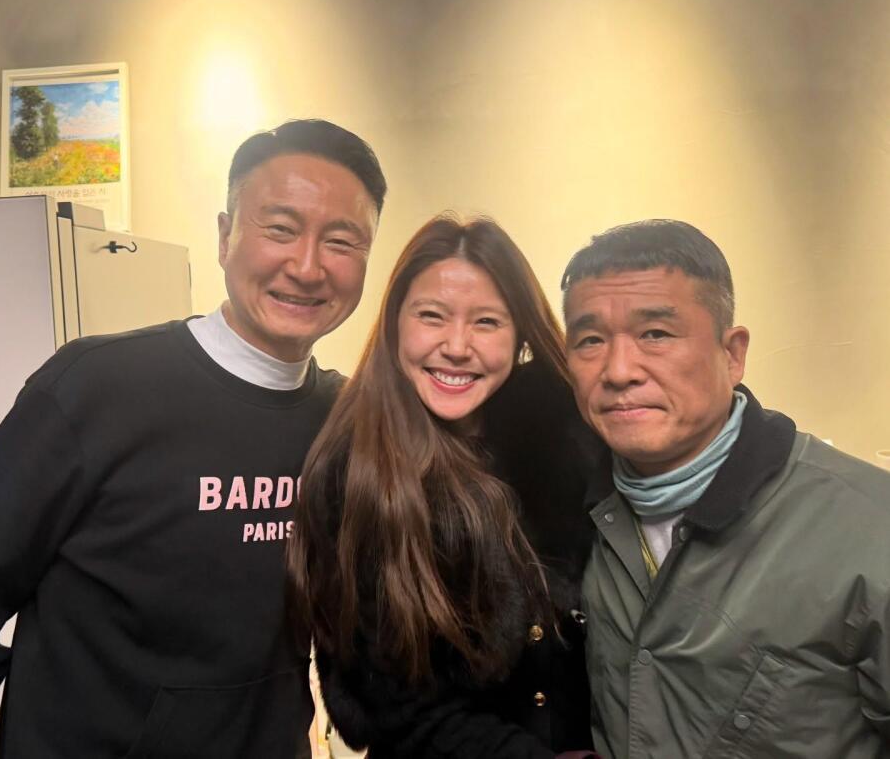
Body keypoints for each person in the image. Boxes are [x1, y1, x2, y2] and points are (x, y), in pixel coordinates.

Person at [0, 119, 386, 758]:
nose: (307, 266)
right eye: (280, 229)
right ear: (226, 237)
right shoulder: (95, 388)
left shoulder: (349, 423)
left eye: (341, 241)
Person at [561, 218, 890, 759]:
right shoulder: (575, 512)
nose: (618, 371)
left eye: (655, 334)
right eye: (590, 340)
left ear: (732, 354)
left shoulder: (869, 527)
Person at [290, 215, 599, 759]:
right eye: (431, 316)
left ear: (521, 333)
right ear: (395, 323)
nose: (456, 346)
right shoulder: (356, 472)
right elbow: (398, 711)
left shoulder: (570, 435)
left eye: (486, 322)